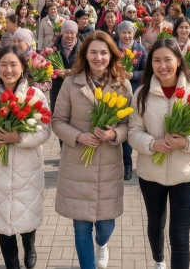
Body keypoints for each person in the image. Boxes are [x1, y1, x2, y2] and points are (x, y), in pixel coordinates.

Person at [127, 40, 190, 269]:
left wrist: (186, 142)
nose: (162, 65)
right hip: (151, 173)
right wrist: (152, 145)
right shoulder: (142, 94)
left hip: (185, 174)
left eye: (168, 59)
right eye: (156, 60)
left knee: (180, 235)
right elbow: (133, 131)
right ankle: (159, 260)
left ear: (178, 61)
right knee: (156, 224)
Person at [52, 31, 133, 269]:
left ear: (112, 55)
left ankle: (103, 243)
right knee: (81, 226)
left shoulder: (122, 85)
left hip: (108, 164)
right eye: (93, 52)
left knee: (106, 225)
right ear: (85, 55)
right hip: (78, 164)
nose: (99, 57)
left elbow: (130, 123)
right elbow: (57, 121)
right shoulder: (70, 83)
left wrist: (114, 134)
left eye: (104, 52)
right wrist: (79, 136)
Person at [0, 47, 51, 269]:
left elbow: (44, 131)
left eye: (13, 64)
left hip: (27, 169)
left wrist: (18, 137)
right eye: (3, 65)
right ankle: (11, 264)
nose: (8, 70)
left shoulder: (35, 96)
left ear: (23, 67)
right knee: (2, 221)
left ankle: (30, 245)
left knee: (26, 215)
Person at [116, 21, 146, 181]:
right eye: (123, 33)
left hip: (133, 94)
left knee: (127, 128)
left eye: (129, 32)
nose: (127, 36)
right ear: (119, 33)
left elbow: (146, 72)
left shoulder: (140, 49)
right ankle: (116, 164)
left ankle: (127, 164)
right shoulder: (113, 48)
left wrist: (132, 75)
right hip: (114, 94)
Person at [49, 20, 83, 112]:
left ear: (76, 34)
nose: (69, 35)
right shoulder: (53, 49)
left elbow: (86, 68)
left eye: (72, 33)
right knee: (57, 114)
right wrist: (55, 72)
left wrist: (69, 72)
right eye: (66, 32)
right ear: (62, 33)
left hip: (77, 86)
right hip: (57, 87)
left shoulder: (83, 49)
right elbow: (48, 68)